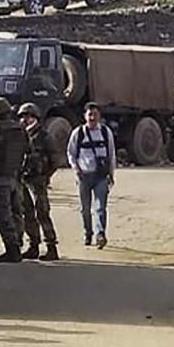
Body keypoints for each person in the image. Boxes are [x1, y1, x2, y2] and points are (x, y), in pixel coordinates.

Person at [0, 97, 29, 263]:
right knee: (17, 212)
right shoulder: (21, 130)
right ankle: (18, 244)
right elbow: (29, 151)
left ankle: (12, 249)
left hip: (1, 177)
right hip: (16, 177)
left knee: (4, 215)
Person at [66, 102, 116, 249]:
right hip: (83, 176)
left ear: (99, 116)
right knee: (85, 208)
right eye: (90, 114)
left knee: (100, 207)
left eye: (95, 114)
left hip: (101, 176)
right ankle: (88, 233)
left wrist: (111, 174)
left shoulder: (105, 132)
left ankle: (100, 235)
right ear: (85, 116)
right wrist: (76, 169)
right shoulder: (78, 133)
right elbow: (71, 153)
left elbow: (111, 154)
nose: (92, 117)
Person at [18, 103, 59, 262]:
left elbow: (55, 159)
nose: (25, 120)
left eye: (28, 116)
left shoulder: (44, 137)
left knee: (42, 212)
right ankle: (33, 245)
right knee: (27, 213)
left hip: (38, 180)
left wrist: (46, 175)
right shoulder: (20, 135)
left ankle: (51, 246)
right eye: (23, 117)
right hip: (23, 179)